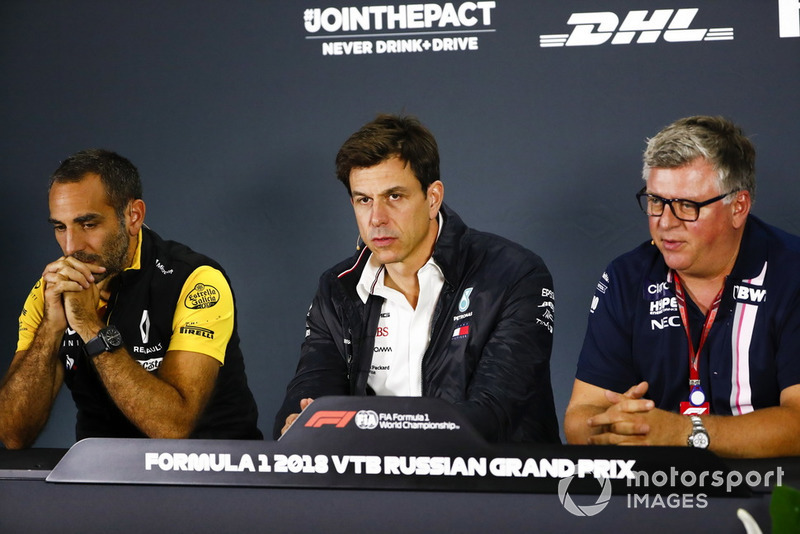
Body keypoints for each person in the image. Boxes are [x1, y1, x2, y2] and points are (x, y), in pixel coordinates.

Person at [274, 114, 559, 443]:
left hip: (492, 487)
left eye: (394, 196)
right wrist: (299, 423)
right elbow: (307, 396)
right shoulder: (338, 288)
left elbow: (492, 414)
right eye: (364, 200)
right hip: (376, 486)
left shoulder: (513, 274)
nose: (377, 219)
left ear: (433, 197)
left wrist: (365, 431)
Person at [565, 116, 800, 458]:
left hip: (771, 494)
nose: (665, 222)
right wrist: (620, 426)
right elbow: (579, 416)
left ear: (738, 207)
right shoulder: (626, 277)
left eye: (687, 206)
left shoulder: (791, 273)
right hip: (653, 497)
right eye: (656, 201)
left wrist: (684, 433)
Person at [0, 149, 262, 448]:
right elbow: (13, 435)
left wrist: (89, 326)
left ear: (133, 216)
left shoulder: (196, 280)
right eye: (61, 227)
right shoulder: (51, 290)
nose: (71, 246)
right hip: (103, 478)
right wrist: (51, 329)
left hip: (211, 476)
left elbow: (172, 428)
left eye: (88, 224)